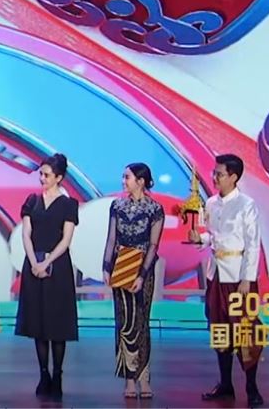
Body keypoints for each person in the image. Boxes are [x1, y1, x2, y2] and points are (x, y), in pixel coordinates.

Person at [194, 154, 265, 408]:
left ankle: (251, 386)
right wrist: (201, 239)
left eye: (220, 174)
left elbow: (253, 244)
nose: (215, 177)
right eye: (214, 173)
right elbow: (213, 236)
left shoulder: (247, 205)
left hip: (238, 277)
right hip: (216, 274)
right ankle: (225, 384)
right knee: (219, 328)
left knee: (245, 331)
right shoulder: (211, 203)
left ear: (233, 177)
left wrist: (247, 279)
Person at [14, 153, 78, 401]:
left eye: (47, 175)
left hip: (58, 267)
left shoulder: (68, 204)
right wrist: (34, 262)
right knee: (38, 322)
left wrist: (47, 262)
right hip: (34, 266)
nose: (42, 178)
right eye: (40, 174)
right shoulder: (32, 201)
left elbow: (66, 239)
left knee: (56, 324)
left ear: (59, 177)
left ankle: (58, 374)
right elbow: (26, 234)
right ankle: (43, 374)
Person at [102, 163, 165, 399]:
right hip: (121, 267)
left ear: (141, 181)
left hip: (142, 269)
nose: (123, 181)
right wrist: (106, 266)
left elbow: (154, 245)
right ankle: (129, 379)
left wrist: (142, 274)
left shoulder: (154, 209)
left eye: (127, 177)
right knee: (123, 321)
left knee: (141, 322)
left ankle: (144, 377)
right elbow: (111, 239)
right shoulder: (117, 206)